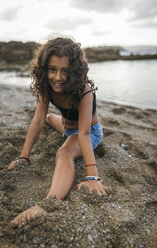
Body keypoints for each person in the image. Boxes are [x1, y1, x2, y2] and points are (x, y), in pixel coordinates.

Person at [8, 35, 106, 228]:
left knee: (64, 152)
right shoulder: (47, 87)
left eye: (65, 71)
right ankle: (63, 130)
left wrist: (93, 177)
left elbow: (84, 134)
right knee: (47, 118)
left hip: (89, 132)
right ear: (45, 68)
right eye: (52, 69)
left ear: (75, 72)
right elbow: (37, 120)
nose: (58, 77)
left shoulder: (85, 92)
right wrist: (24, 157)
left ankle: (49, 202)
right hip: (67, 128)